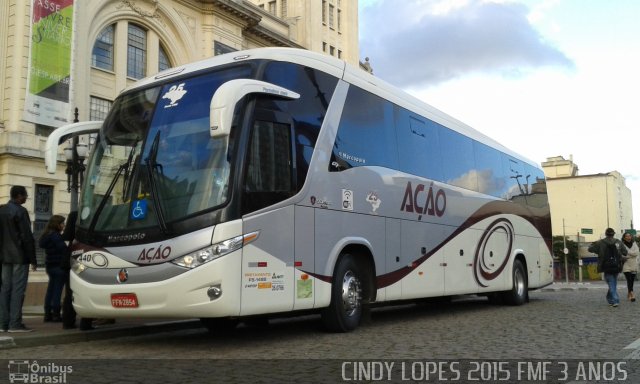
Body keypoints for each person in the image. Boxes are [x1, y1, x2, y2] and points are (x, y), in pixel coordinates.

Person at [0, 185, 37, 332]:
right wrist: (33, 259)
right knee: (18, 290)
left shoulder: (1, 210)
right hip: (19, 256)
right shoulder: (20, 211)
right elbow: (27, 237)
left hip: (4, 257)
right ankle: (15, 323)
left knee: (5, 289)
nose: (26, 197)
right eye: (25, 195)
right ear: (19, 196)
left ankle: (3, 323)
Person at [38, 215, 68, 322]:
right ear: (57, 224)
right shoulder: (56, 236)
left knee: (50, 289)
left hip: (50, 266)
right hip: (59, 266)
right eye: (62, 223)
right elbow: (63, 249)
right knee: (57, 291)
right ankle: (56, 314)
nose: (64, 225)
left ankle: (47, 313)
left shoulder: (47, 235)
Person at [589, 228, 628, 307]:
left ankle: (615, 300)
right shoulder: (618, 242)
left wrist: (595, 245)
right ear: (613, 234)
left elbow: (590, 249)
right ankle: (610, 299)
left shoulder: (600, 242)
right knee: (613, 283)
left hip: (605, 266)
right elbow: (625, 252)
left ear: (606, 234)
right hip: (617, 265)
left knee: (611, 283)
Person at [621, 231, 639, 302]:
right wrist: (631, 254)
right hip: (626, 263)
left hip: (634, 264)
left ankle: (629, 293)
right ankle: (632, 293)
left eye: (629, 236)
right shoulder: (622, 244)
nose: (628, 237)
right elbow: (622, 254)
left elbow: (637, 253)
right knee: (629, 279)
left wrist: (628, 252)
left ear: (631, 237)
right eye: (626, 236)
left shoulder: (634, 244)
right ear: (624, 238)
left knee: (632, 280)